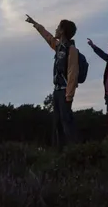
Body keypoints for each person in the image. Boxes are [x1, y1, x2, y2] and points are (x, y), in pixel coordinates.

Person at [26, 14, 80, 148]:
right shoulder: (58, 46)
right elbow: (48, 36)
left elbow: (73, 73)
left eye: (58, 27)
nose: (55, 29)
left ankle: (74, 149)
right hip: (57, 91)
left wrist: (69, 95)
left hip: (65, 92)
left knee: (66, 122)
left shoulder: (71, 50)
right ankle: (60, 152)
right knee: (57, 123)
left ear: (62, 31)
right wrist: (35, 24)